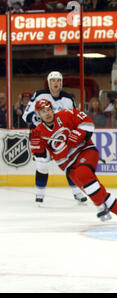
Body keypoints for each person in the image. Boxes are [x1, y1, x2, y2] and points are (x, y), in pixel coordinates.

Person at [29, 99, 117, 223]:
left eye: (49, 110)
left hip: (85, 151)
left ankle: (100, 206)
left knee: (83, 175)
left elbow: (87, 122)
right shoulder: (38, 133)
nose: (47, 113)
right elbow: (43, 164)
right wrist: (38, 151)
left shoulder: (65, 114)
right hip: (68, 166)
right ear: (38, 115)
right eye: (43, 111)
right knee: (96, 190)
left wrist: (79, 133)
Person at [22, 71, 87, 205]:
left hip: (61, 136)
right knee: (42, 165)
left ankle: (77, 192)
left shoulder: (68, 99)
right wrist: (41, 125)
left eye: (58, 80)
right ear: (49, 83)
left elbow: (75, 118)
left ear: (61, 83)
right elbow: (26, 115)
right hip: (41, 136)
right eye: (53, 81)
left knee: (70, 163)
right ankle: (39, 196)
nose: (55, 83)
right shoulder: (39, 95)